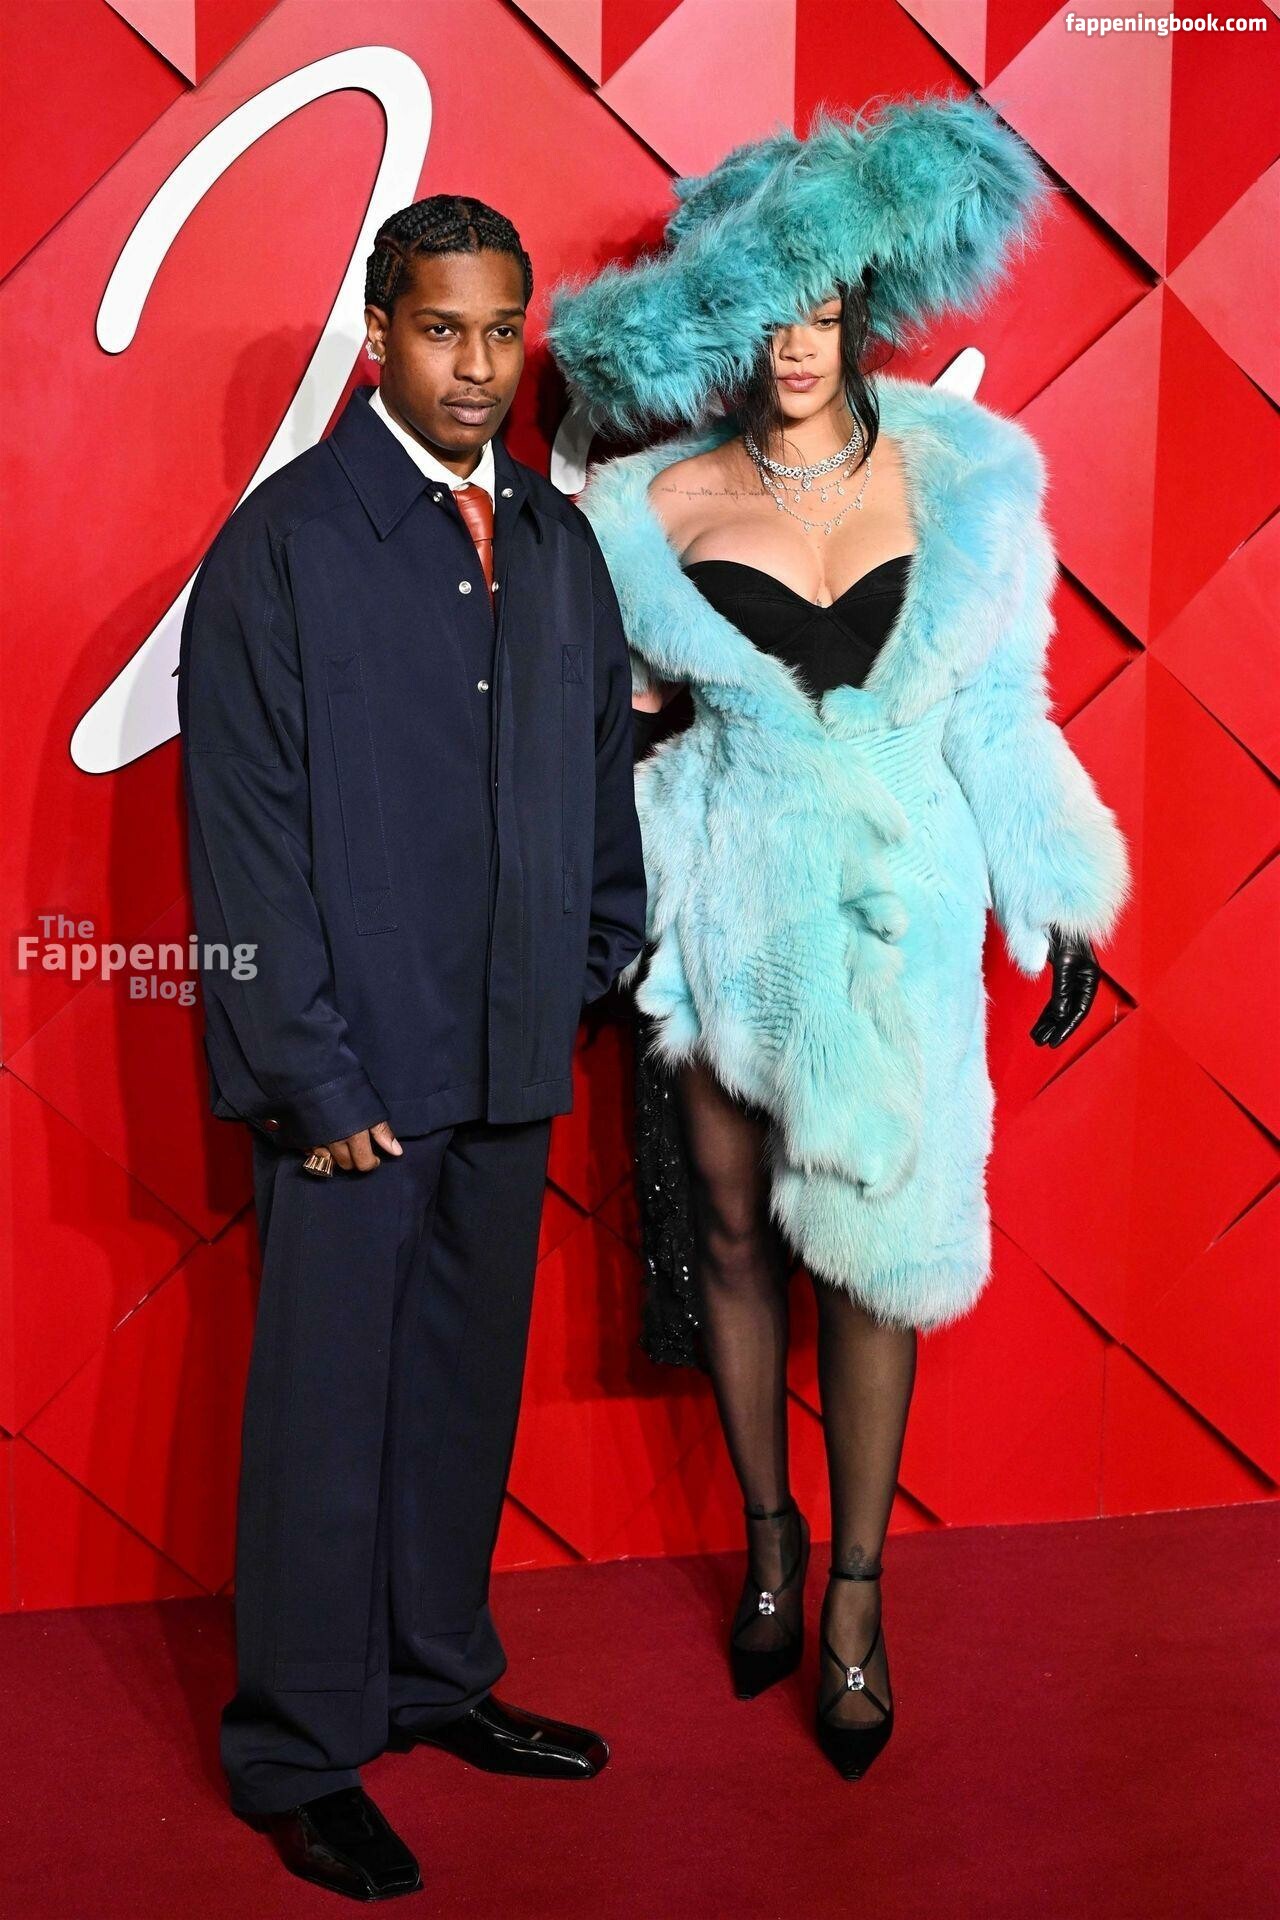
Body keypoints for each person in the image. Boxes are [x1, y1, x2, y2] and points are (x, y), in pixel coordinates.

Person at [547, 96, 1131, 1782]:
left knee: (876, 1254)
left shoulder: (974, 479)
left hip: (900, 915)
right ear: (722, 330)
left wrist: (1055, 887)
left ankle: (859, 1599)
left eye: (819, 307)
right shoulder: (641, 509)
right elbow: (611, 726)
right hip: (726, 907)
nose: (795, 345)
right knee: (734, 1234)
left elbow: (1003, 712)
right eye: (763, 314)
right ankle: (770, 1540)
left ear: (860, 305)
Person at [178, 194, 645, 1899]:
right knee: (325, 1418)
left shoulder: (558, 541)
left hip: (510, 1054)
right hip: (353, 1079)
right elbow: (242, 834)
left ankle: (437, 1678)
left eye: (501, 333)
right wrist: (305, 1071)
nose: (476, 366)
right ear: (379, 335)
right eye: (443, 331)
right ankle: (300, 1751)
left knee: (459, 1392)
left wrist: (590, 960)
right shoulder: (284, 545)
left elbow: (597, 777)